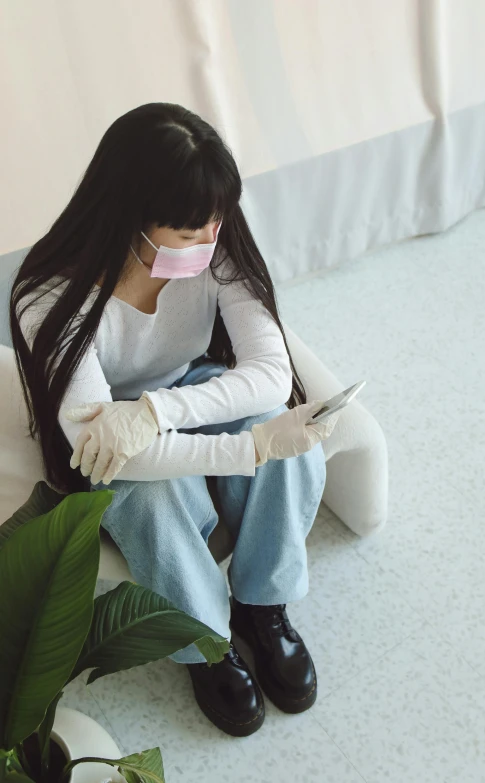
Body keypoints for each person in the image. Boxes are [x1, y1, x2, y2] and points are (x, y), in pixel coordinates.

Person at [10, 103, 340, 737]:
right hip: (104, 434)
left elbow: (269, 371)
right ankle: (204, 642)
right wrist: (245, 451)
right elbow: (108, 447)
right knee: (152, 500)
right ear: (128, 215)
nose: (210, 239)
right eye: (190, 230)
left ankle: (262, 604)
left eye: (216, 222)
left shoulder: (214, 243)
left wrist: (159, 409)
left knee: (287, 434)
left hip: (181, 392)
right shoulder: (48, 296)